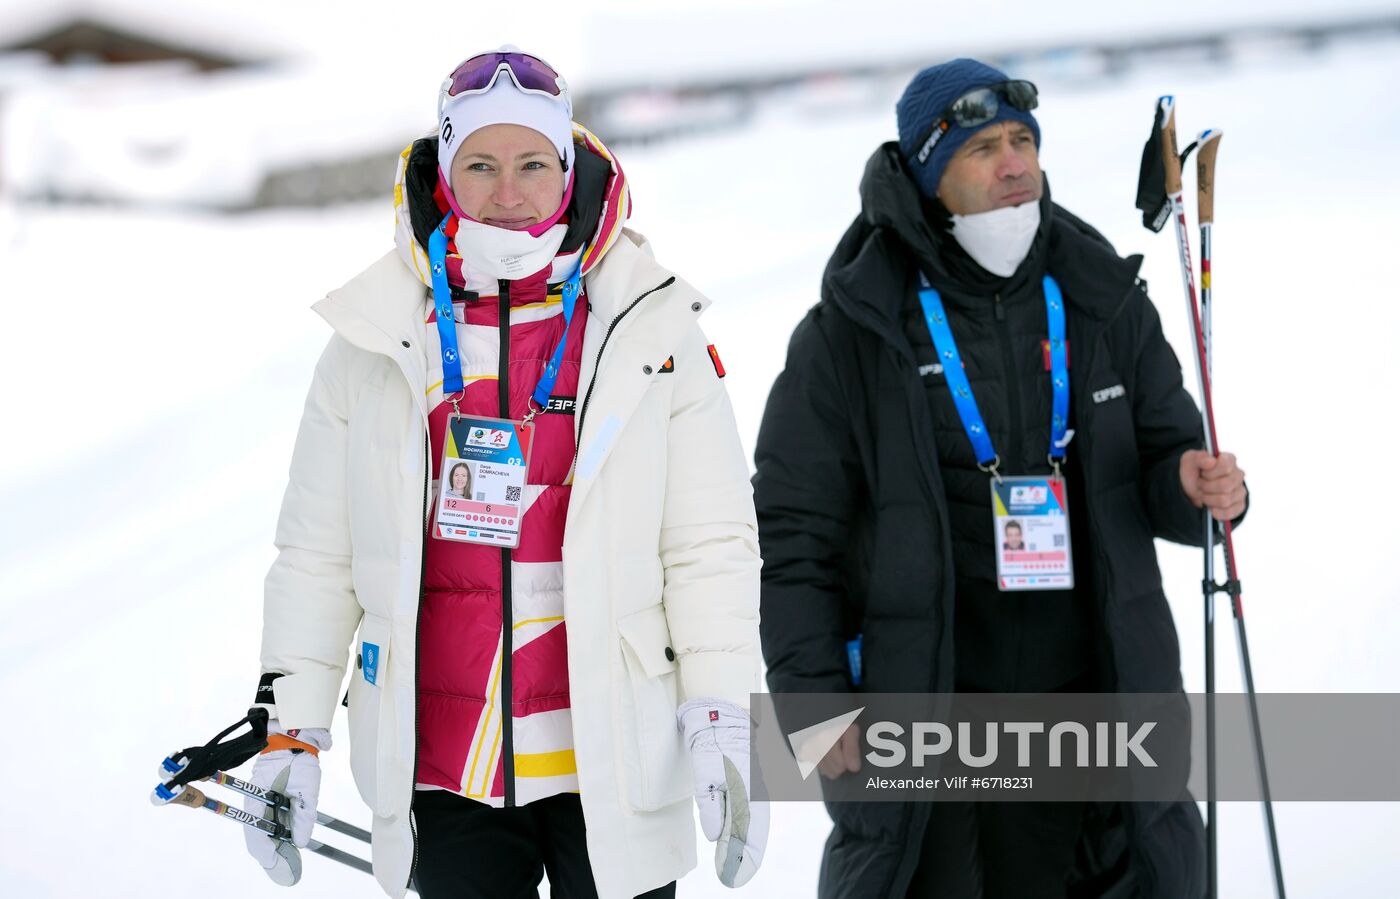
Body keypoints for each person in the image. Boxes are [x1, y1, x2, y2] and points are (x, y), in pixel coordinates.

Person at [239, 47, 766, 899]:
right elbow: (317, 554)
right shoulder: (373, 335)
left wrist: (723, 709)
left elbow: (708, 543)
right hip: (448, 761)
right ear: (445, 174)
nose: (508, 190)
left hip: (615, 755)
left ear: (569, 168)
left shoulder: (648, 323)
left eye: (531, 163)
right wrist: (288, 726)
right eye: (479, 164)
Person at [754, 58, 1246, 899]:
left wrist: (1199, 490)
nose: (1015, 162)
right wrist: (811, 700)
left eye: (1024, 141)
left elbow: (1168, 461)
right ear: (928, 172)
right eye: (984, 146)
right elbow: (797, 535)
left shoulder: (1103, 296)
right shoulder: (850, 328)